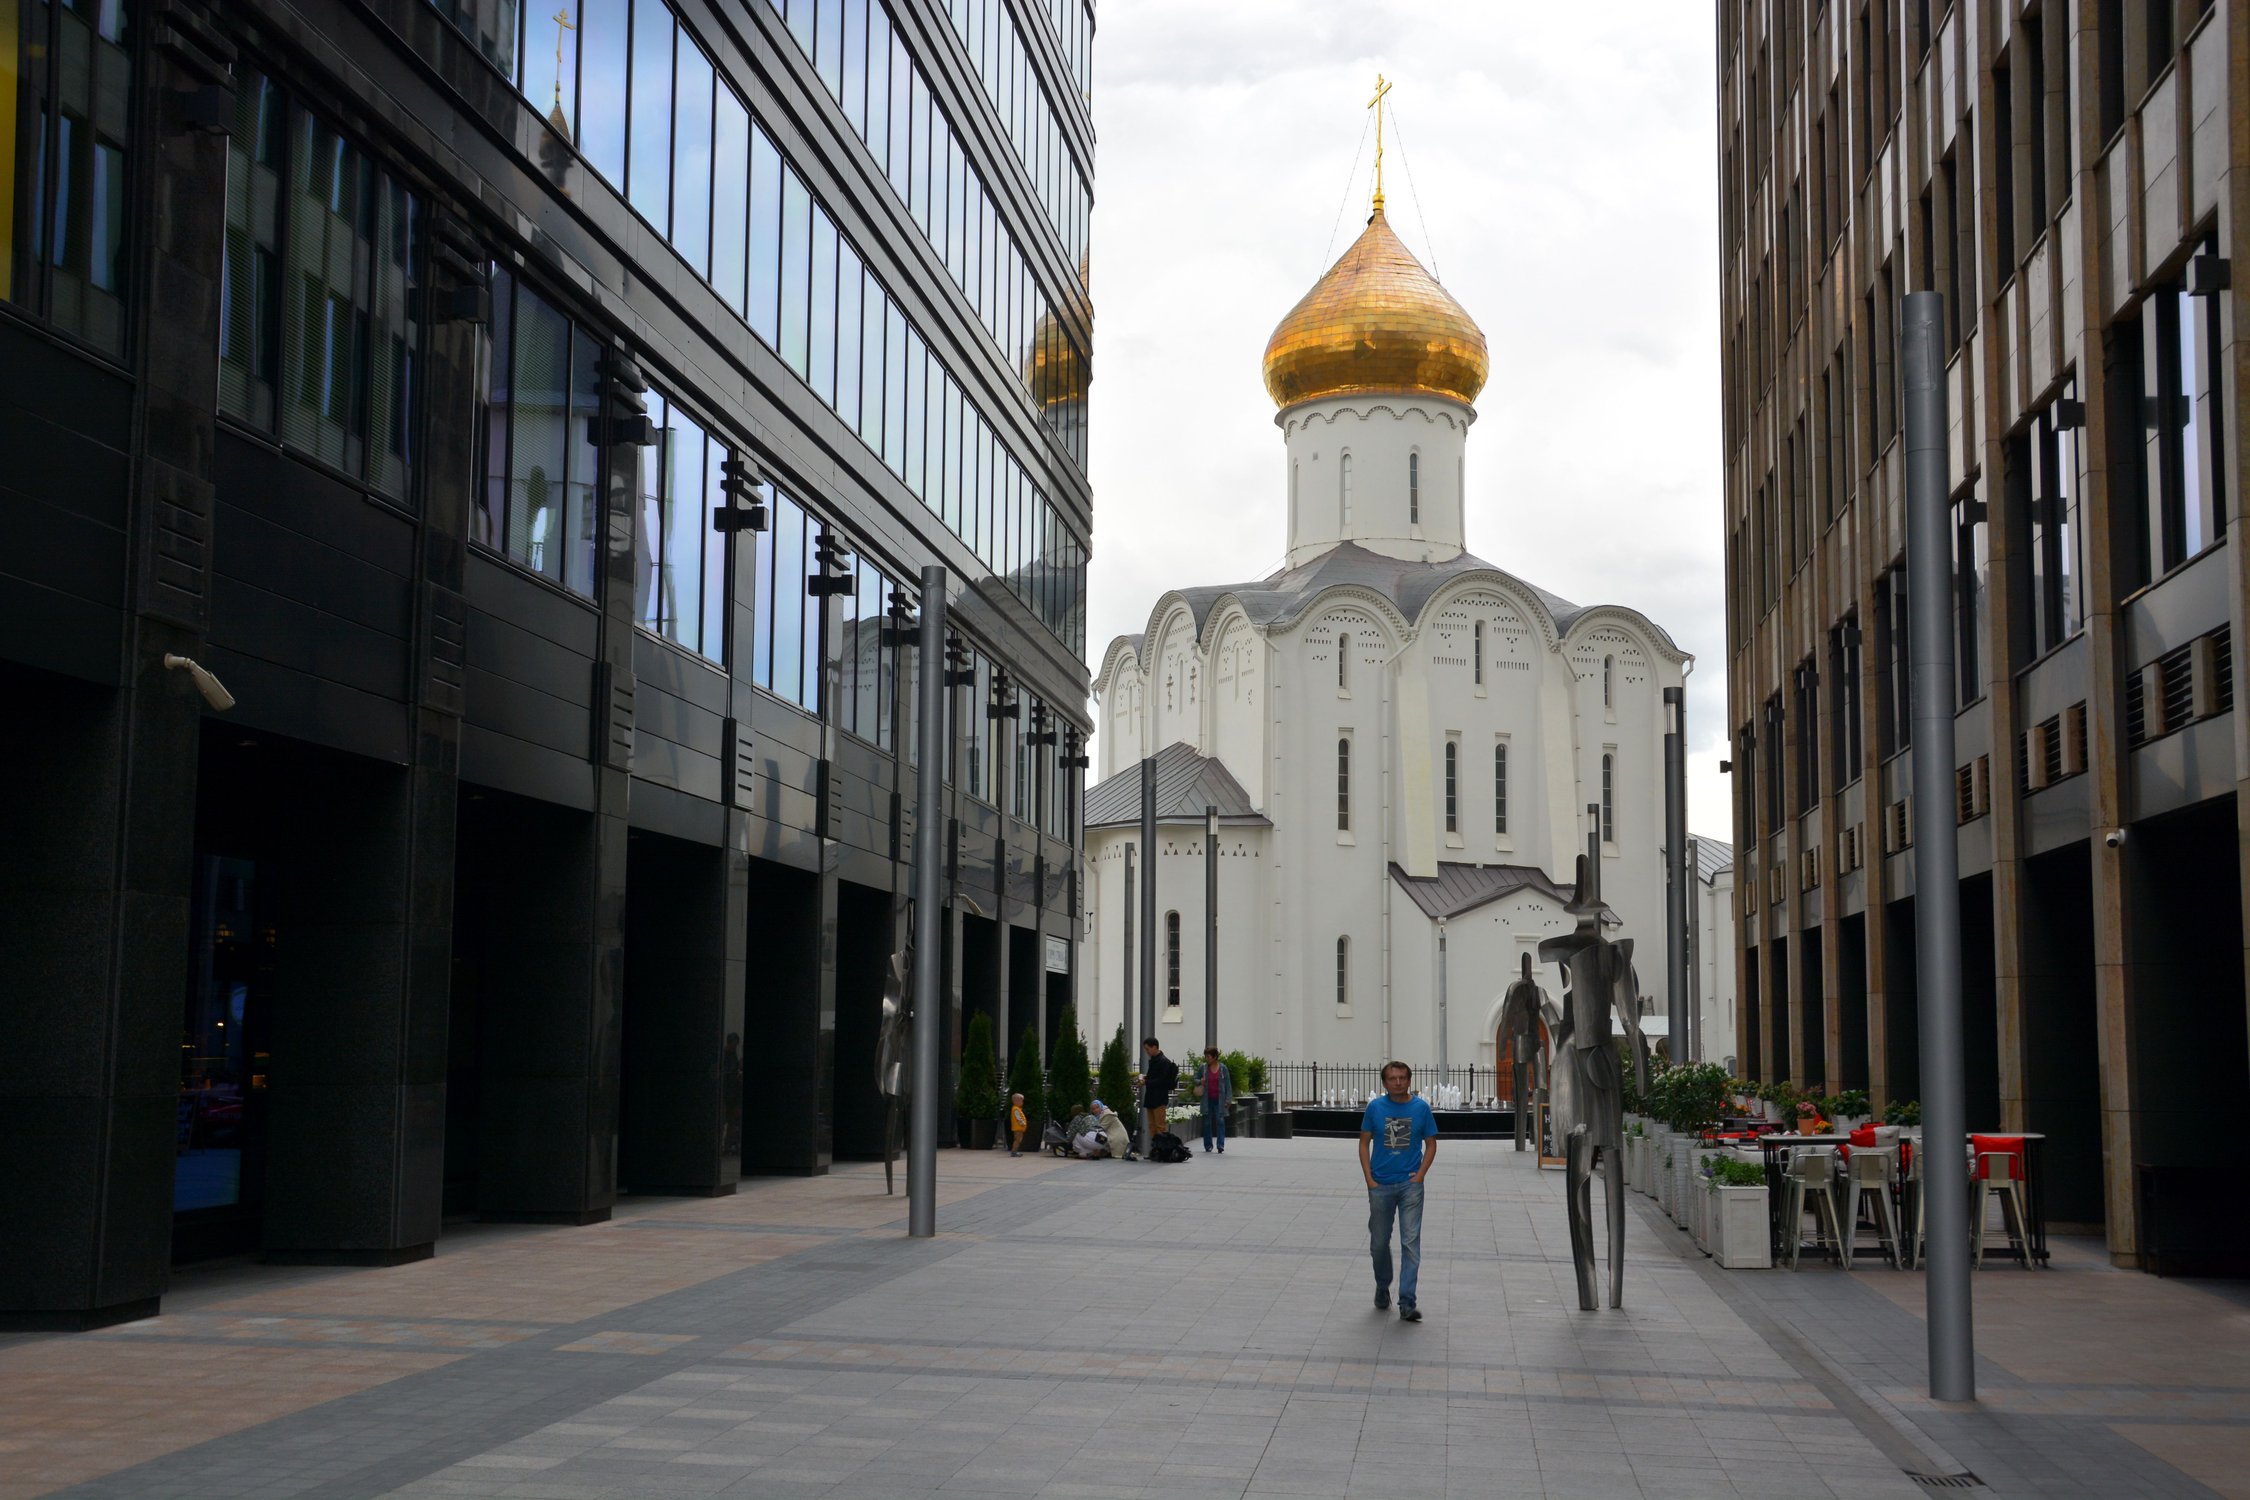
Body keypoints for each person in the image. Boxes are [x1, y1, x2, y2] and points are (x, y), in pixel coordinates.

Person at [1359, 1060, 1439, 1322]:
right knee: (1379, 1243)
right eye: (1392, 1078)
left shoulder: (1421, 1108)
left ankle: (1407, 1301)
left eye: (1402, 1078)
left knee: (1410, 1242)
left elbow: (1431, 1144)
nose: (1397, 1082)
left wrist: (1420, 1176)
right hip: (1380, 1185)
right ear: (1384, 1083)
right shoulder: (1375, 1108)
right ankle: (1383, 1286)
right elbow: (1363, 1143)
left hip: (1409, 1186)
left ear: (1409, 1080)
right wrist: (1369, 1179)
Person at [1140, 1038, 1178, 1154]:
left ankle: (1163, 1150)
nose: (1147, 1052)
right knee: (1152, 1126)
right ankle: (1157, 1148)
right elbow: (1154, 1077)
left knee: (1160, 1126)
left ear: (1154, 1047)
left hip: (1159, 1097)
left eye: (1147, 1049)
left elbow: (1162, 1080)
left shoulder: (1163, 1061)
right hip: (1151, 1097)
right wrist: (1144, 1079)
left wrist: (1146, 1082)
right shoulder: (1154, 1060)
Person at [1199, 1047, 1233, 1154]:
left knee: (1220, 1121)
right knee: (1207, 1123)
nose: (1206, 1058)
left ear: (1214, 1057)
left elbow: (1228, 1084)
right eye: (1206, 1056)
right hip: (1207, 1099)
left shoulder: (1223, 1068)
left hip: (1220, 1100)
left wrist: (1228, 1099)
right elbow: (1195, 1079)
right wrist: (1200, 1081)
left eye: (1208, 1056)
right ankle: (1208, 1145)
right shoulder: (1203, 1068)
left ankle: (1220, 1145)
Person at [1009, 1092, 1028, 1156]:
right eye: (1021, 1101)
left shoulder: (1017, 1109)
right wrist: (1023, 1123)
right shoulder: (1016, 1109)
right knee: (1017, 1140)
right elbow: (1018, 1118)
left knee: (1018, 1140)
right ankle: (1014, 1151)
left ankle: (1015, 1151)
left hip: (1019, 1128)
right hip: (1018, 1128)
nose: (1022, 1102)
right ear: (1016, 1101)